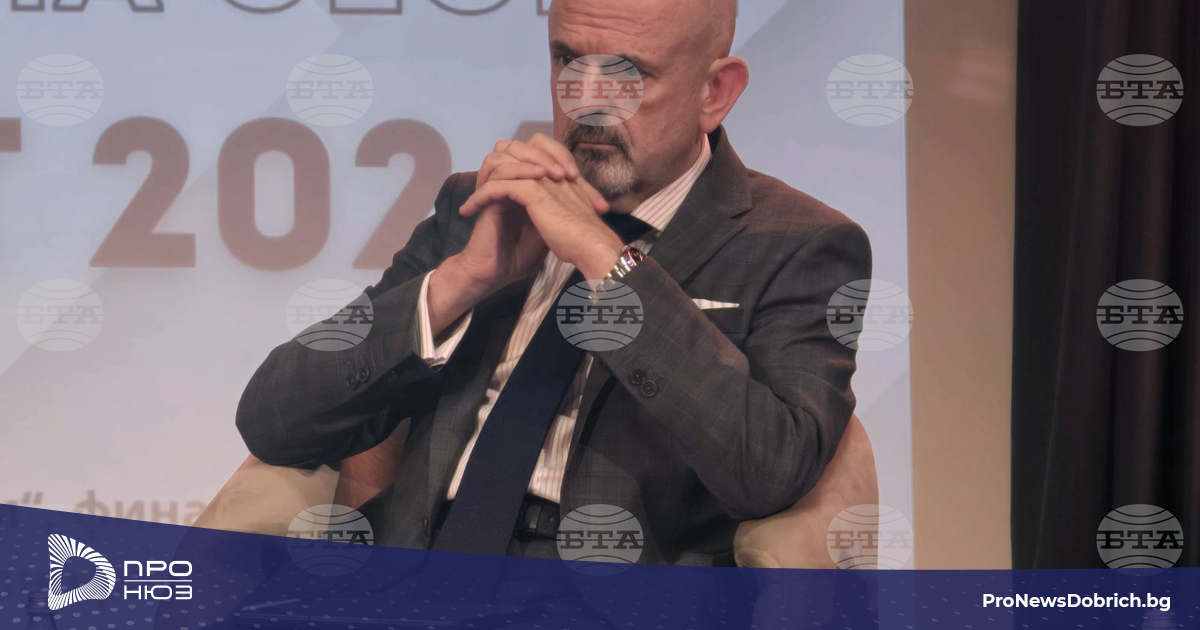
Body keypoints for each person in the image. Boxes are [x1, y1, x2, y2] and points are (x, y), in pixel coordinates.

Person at [236, 0, 872, 565]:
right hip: (422, 573)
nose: (587, 102)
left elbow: (770, 470)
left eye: (627, 74)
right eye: (569, 60)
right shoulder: (481, 205)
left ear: (716, 91)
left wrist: (606, 261)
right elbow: (275, 421)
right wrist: (460, 280)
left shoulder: (799, 243)